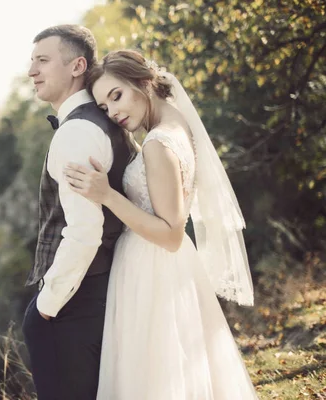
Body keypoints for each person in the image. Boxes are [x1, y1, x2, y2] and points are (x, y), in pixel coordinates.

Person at [63, 49, 258, 399]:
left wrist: (106, 195)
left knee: (155, 377)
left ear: (142, 82)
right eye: (105, 107)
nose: (114, 111)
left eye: (117, 95)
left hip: (153, 268)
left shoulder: (158, 143)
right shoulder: (176, 123)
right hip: (167, 268)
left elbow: (170, 234)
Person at [21, 26, 134, 400]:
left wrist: (46, 306)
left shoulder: (76, 133)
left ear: (77, 66)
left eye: (42, 60)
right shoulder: (103, 122)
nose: (31, 71)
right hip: (99, 291)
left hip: (74, 303)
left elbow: (85, 231)